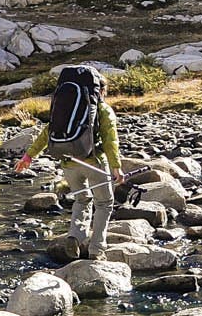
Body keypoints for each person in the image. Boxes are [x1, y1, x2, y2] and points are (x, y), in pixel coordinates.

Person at [14, 77, 123, 260]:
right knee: (104, 204)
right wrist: (116, 167)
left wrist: (29, 156)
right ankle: (97, 251)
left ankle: (75, 236)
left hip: (69, 163)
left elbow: (46, 133)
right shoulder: (103, 110)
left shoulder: (65, 108)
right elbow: (111, 141)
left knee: (81, 199)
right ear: (101, 91)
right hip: (94, 162)